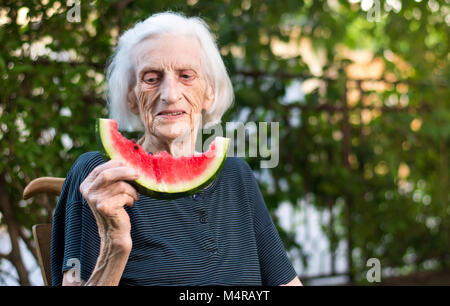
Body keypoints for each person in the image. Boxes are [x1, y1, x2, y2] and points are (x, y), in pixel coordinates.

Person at [50, 11, 302, 286]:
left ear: (209, 93)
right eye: (151, 78)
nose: (170, 94)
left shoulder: (236, 175)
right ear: (131, 97)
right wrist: (114, 247)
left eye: (186, 75)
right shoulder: (101, 176)